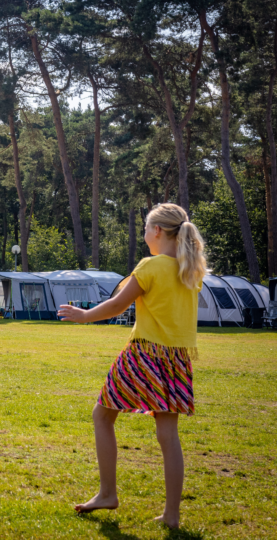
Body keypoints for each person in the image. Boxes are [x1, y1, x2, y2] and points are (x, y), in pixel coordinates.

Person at [57, 203, 206, 529]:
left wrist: (83, 315)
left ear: (156, 232)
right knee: (168, 435)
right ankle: (172, 515)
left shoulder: (150, 266)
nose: (143, 235)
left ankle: (108, 493)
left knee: (102, 415)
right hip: (177, 360)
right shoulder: (190, 271)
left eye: (145, 229)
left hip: (143, 355)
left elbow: (117, 304)